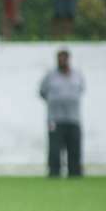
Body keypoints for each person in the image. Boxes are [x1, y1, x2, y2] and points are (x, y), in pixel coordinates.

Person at [39, 49, 85, 178]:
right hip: (54, 119)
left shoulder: (77, 75)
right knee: (54, 148)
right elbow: (42, 92)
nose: (62, 60)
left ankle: (75, 172)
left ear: (69, 59)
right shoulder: (50, 76)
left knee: (74, 147)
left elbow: (81, 90)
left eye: (64, 58)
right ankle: (54, 172)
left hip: (73, 118)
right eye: (60, 58)